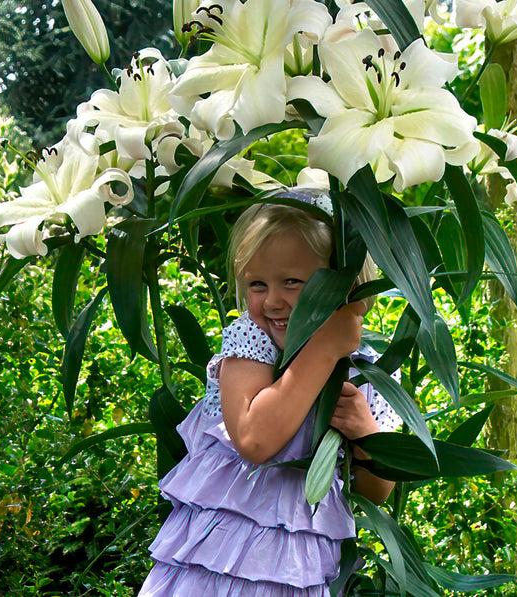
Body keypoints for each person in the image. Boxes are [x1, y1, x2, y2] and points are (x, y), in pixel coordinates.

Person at [139, 193, 400, 596]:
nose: (273, 301)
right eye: (257, 284)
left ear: (344, 285)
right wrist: (325, 349)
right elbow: (253, 439)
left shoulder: (366, 367)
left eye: (293, 282)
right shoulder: (252, 340)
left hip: (295, 565)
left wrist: (364, 431)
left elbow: (377, 490)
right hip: (217, 561)